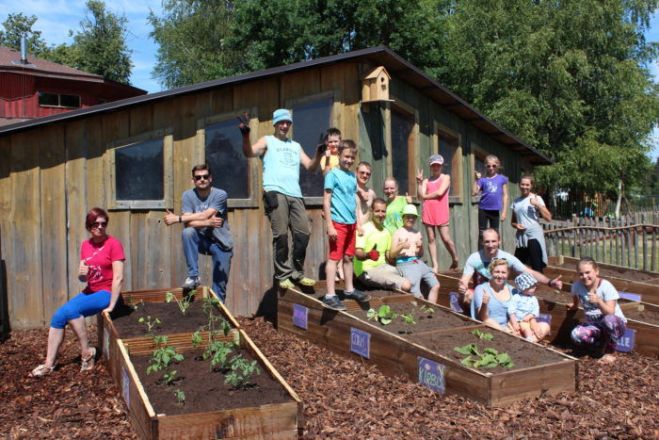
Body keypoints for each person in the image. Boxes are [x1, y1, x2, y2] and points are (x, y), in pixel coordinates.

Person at [31, 208, 125, 376]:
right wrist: (81, 274)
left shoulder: (113, 244)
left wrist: (111, 305)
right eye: (96, 224)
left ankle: (87, 353)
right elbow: (83, 278)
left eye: (104, 223)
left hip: (107, 292)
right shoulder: (85, 245)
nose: (100, 227)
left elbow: (118, 278)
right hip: (91, 290)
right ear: (89, 226)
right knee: (59, 316)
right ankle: (48, 364)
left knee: (71, 310)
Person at [241, 108, 323, 289]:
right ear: (275, 124)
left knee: (303, 233)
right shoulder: (267, 141)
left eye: (288, 123)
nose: (285, 126)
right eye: (281, 122)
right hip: (274, 192)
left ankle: (297, 272)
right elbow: (249, 152)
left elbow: (310, 166)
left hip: (295, 194)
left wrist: (319, 153)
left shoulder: (296, 146)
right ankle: (283, 274)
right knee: (282, 235)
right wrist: (245, 135)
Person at [164, 164, 233, 301]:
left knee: (220, 286)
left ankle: (216, 318)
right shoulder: (188, 195)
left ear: (211, 178)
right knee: (188, 232)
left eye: (205, 176)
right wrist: (207, 223)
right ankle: (193, 276)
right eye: (198, 177)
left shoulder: (220, 194)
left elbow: (205, 215)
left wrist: (176, 218)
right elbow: (190, 223)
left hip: (221, 243)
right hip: (201, 240)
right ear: (193, 180)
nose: (202, 179)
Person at [323, 140, 370, 310]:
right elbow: (327, 201)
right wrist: (330, 225)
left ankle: (349, 289)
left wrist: (357, 223)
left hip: (351, 224)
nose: (349, 160)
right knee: (334, 258)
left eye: (352, 157)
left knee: (349, 257)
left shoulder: (351, 176)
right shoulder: (332, 175)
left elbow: (352, 199)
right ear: (339, 155)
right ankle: (330, 295)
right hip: (338, 223)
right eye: (346, 157)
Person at [458, 229, 562, 304]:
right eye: (487, 242)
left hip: (501, 292)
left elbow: (529, 272)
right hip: (481, 293)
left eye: (493, 241)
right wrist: (463, 286)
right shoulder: (474, 258)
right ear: (482, 242)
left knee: (521, 298)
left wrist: (550, 282)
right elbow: (465, 279)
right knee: (468, 296)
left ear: (499, 241)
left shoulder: (507, 257)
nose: (490, 245)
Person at [569, 257, 627, 362]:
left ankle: (609, 350)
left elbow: (610, 312)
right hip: (595, 325)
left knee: (608, 320)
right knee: (576, 334)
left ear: (596, 271)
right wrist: (574, 305)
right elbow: (574, 295)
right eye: (581, 274)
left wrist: (599, 302)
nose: (584, 276)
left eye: (588, 272)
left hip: (615, 325)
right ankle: (598, 346)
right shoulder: (577, 286)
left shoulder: (606, 287)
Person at [354, 198, 412, 292]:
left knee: (411, 275)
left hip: (383, 267)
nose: (381, 214)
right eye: (377, 211)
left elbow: (389, 256)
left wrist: (400, 247)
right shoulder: (364, 229)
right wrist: (368, 255)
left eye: (383, 211)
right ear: (371, 211)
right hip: (366, 271)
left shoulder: (386, 232)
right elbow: (358, 254)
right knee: (406, 285)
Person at [416, 154, 459, 272]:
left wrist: (425, 196)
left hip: (441, 211)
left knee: (445, 238)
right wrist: (419, 183)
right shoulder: (426, 181)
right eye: (433, 165)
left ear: (441, 166)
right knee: (431, 238)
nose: (436, 167)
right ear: (430, 166)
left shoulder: (445, 177)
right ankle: (435, 265)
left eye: (438, 165)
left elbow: (440, 193)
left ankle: (455, 258)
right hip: (428, 211)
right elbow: (420, 196)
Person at [391, 204, 440, 303]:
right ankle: (420, 313)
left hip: (418, 262)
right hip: (405, 264)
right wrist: (401, 246)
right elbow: (391, 254)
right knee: (416, 294)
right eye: (408, 216)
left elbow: (420, 254)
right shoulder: (398, 232)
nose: (411, 219)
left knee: (436, 285)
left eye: (413, 217)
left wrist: (420, 246)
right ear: (403, 217)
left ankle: (432, 308)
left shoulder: (417, 233)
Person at [511, 175, 552, 272]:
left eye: (527, 185)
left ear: (531, 186)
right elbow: (512, 221)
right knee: (517, 266)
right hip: (522, 236)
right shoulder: (516, 201)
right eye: (522, 184)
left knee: (536, 265)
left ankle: (540, 286)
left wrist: (537, 205)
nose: (524, 187)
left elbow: (548, 218)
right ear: (519, 185)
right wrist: (516, 225)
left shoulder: (536, 198)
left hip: (534, 235)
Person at [470, 258, 514, 331]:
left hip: (510, 326)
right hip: (490, 327)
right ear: (491, 272)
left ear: (508, 274)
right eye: (497, 272)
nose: (500, 275)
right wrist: (484, 304)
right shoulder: (481, 289)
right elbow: (483, 318)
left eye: (503, 272)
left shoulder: (513, 290)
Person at [472, 154, 509, 237]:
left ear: (497, 166)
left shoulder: (502, 179)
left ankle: (495, 250)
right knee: (482, 233)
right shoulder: (482, 180)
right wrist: (476, 180)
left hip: (495, 210)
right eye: (488, 166)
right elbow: (474, 192)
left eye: (494, 165)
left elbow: (505, 195)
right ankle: (481, 250)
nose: (491, 168)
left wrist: (504, 212)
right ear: (486, 166)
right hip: (483, 209)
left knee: (495, 233)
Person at [508, 273, 550, 342]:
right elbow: (511, 311)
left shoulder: (533, 299)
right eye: (531, 287)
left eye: (534, 286)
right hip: (519, 320)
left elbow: (536, 310)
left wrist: (530, 316)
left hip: (528, 320)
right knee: (526, 329)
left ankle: (529, 339)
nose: (534, 288)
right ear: (524, 288)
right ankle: (529, 339)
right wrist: (514, 323)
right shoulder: (517, 297)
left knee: (543, 326)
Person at [356, 161, 377, 229]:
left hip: (367, 231)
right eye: (362, 172)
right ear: (356, 172)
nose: (365, 175)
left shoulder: (372, 193)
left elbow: (377, 210)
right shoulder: (350, 189)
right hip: (352, 230)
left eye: (368, 174)